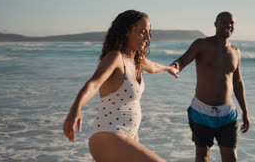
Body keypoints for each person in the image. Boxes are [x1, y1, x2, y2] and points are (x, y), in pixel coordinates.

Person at [63, 10, 179, 162]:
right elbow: (94, 84)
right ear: (126, 32)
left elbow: (154, 66)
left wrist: (169, 68)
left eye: (149, 32)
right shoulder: (115, 57)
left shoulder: (138, 60)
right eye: (142, 32)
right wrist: (75, 109)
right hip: (108, 135)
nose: (148, 37)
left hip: (128, 135)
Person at [171, 11, 250, 162]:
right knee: (202, 157)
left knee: (231, 158)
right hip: (202, 111)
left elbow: (238, 83)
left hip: (227, 114)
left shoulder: (235, 52)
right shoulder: (201, 44)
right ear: (215, 24)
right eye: (224, 22)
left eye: (231, 23)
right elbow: (183, 59)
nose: (228, 25)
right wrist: (175, 67)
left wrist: (245, 112)